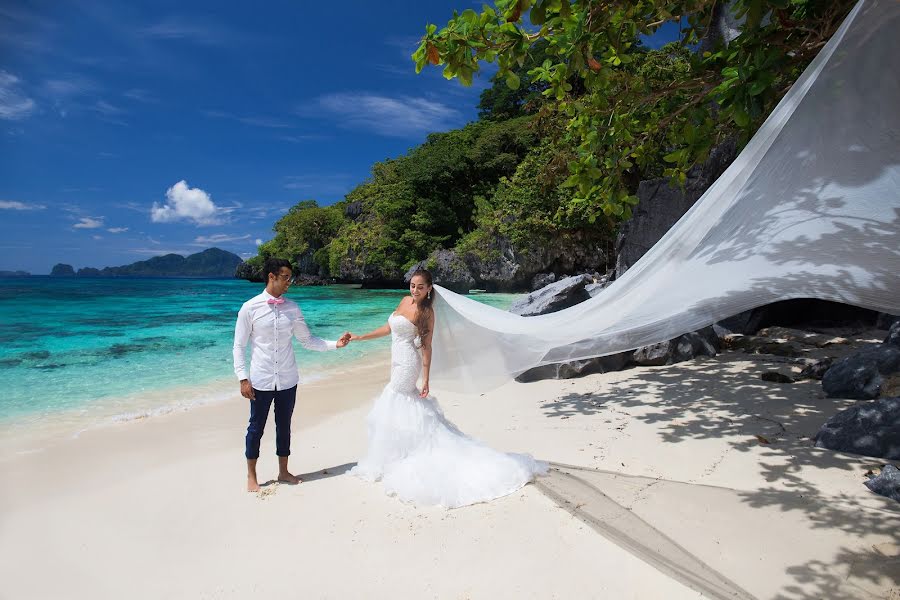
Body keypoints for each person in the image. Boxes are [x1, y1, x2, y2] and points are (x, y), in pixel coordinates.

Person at [348, 268, 547, 508]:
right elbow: (388, 328)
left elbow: (427, 348)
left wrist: (426, 379)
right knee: (399, 403)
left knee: (395, 398)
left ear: (429, 288)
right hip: (396, 359)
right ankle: (402, 452)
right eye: (412, 285)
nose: (415, 290)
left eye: (420, 287)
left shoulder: (427, 312)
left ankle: (402, 453)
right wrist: (360, 337)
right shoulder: (403, 301)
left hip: (408, 365)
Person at [233, 257, 350, 492]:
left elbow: (307, 340)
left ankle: (284, 471)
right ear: (271, 277)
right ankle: (251, 476)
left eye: (290, 278)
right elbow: (239, 346)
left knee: (284, 426)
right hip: (261, 380)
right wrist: (243, 378)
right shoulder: (250, 307)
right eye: (286, 277)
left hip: (288, 379)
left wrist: (334, 344)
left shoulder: (293, 308)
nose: (290, 282)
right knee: (256, 427)